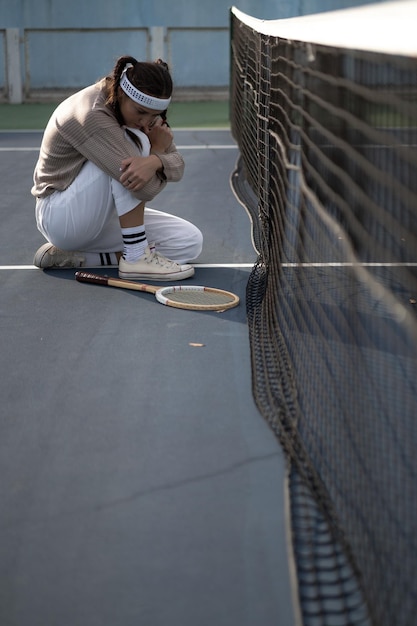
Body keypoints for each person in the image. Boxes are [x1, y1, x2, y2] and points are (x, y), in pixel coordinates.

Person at [31, 55, 203, 280]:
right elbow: (143, 189)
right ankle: (135, 256)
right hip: (61, 215)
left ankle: (80, 257)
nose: (145, 122)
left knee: (187, 241)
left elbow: (178, 166)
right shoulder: (92, 115)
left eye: (154, 115)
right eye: (140, 112)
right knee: (136, 142)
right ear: (122, 93)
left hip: (98, 213)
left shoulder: (138, 112)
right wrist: (156, 153)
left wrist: (156, 160)